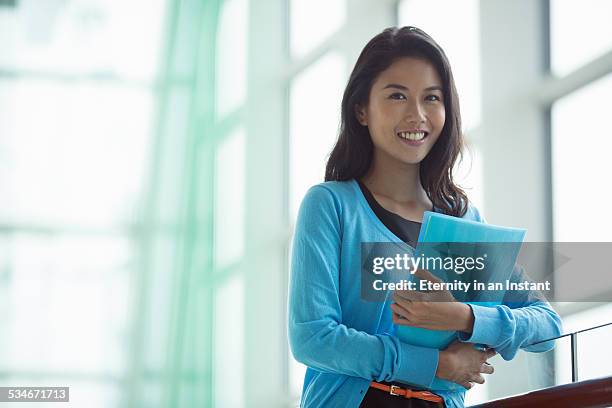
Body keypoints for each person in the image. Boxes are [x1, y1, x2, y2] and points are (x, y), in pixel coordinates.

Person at [287, 26, 562, 408]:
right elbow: (313, 337)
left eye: (431, 98)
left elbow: (546, 326)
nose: (417, 115)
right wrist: (435, 364)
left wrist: (463, 317)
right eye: (397, 95)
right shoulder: (330, 205)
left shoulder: (466, 221)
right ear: (361, 109)